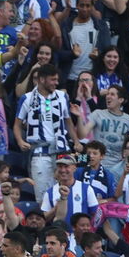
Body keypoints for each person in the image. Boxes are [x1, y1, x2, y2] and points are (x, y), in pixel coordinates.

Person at [14, 64, 80, 201]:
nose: (56, 83)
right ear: (42, 79)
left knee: (64, 193)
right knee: (43, 196)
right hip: (39, 153)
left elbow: (68, 121)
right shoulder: (27, 98)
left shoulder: (62, 96)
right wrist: (20, 141)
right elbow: (17, 124)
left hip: (61, 152)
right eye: (53, 80)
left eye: (57, 80)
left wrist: (77, 141)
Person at [41, 154, 100, 227]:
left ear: (74, 168)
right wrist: (55, 209)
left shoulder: (86, 189)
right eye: (60, 167)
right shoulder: (50, 192)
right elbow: (43, 219)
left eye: (66, 166)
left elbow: (95, 213)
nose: (63, 170)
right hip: (59, 235)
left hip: (81, 235)